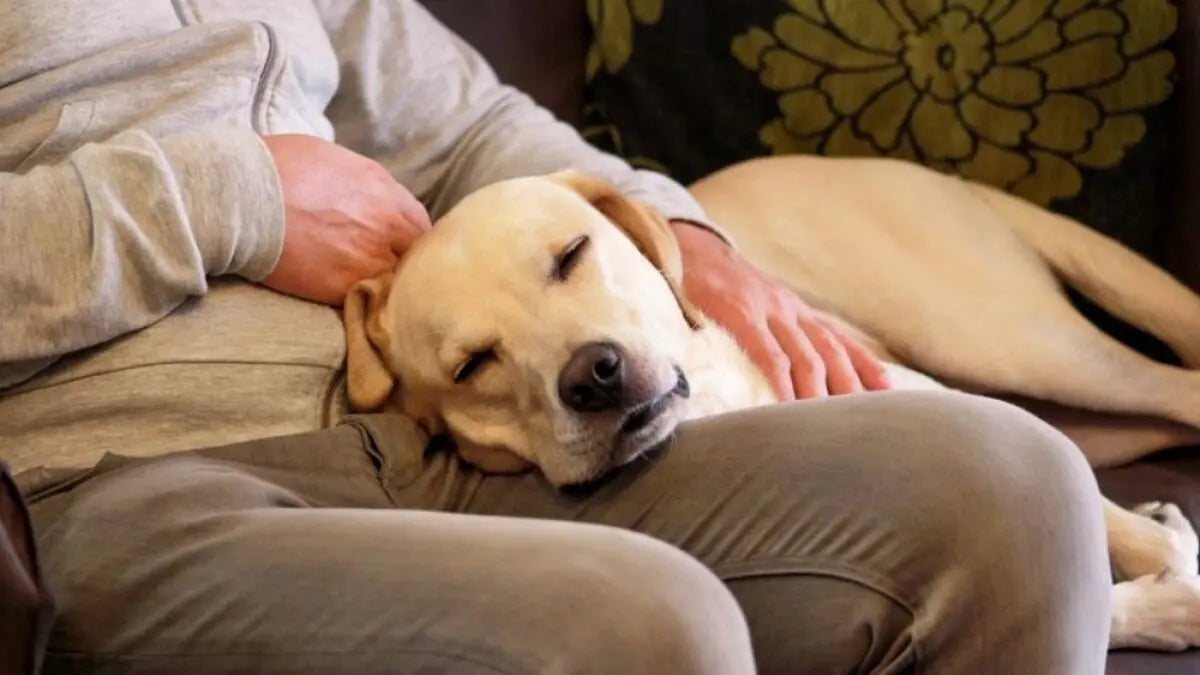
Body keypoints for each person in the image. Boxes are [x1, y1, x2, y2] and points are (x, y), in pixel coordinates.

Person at [0, 1, 1111, 673]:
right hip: (133, 492)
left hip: (450, 446)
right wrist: (232, 200)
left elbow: (475, 128)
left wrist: (685, 234)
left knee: (1012, 485)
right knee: (635, 627)